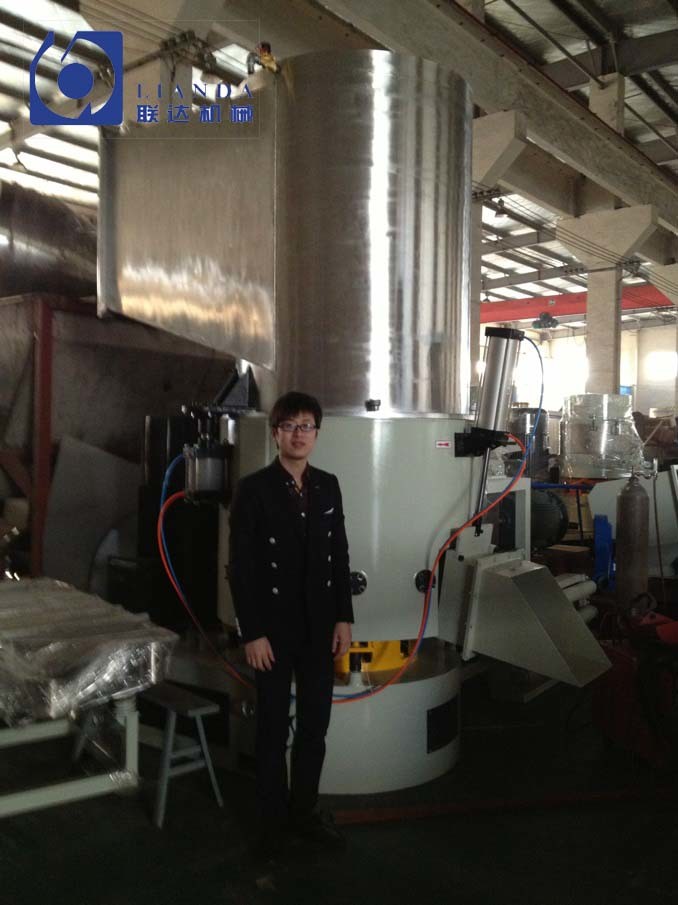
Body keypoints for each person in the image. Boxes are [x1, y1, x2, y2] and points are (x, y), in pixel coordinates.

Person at [228, 391, 353, 857]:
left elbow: (339, 555)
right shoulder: (254, 489)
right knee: (272, 729)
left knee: (314, 729)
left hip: (319, 629)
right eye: (290, 426)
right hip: (272, 632)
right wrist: (252, 632)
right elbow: (241, 568)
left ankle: (304, 812)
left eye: (307, 426)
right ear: (275, 433)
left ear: (316, 434)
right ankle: (272, 822)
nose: (299, 434)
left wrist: (343, 617)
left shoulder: (328, 486)